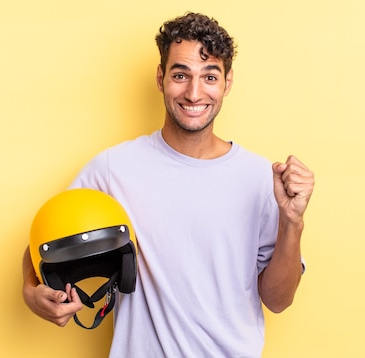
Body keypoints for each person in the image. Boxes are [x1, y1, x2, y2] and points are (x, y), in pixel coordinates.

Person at [22, 12, 315, 357]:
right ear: (161, 78)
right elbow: (46, 241)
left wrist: (292, 221)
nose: (194, 93)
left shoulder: (260, 177)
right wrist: (30, 291)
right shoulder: (113, 169)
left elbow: (278, 301)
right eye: (181, 75)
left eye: (210, 76)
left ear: (228, 82)